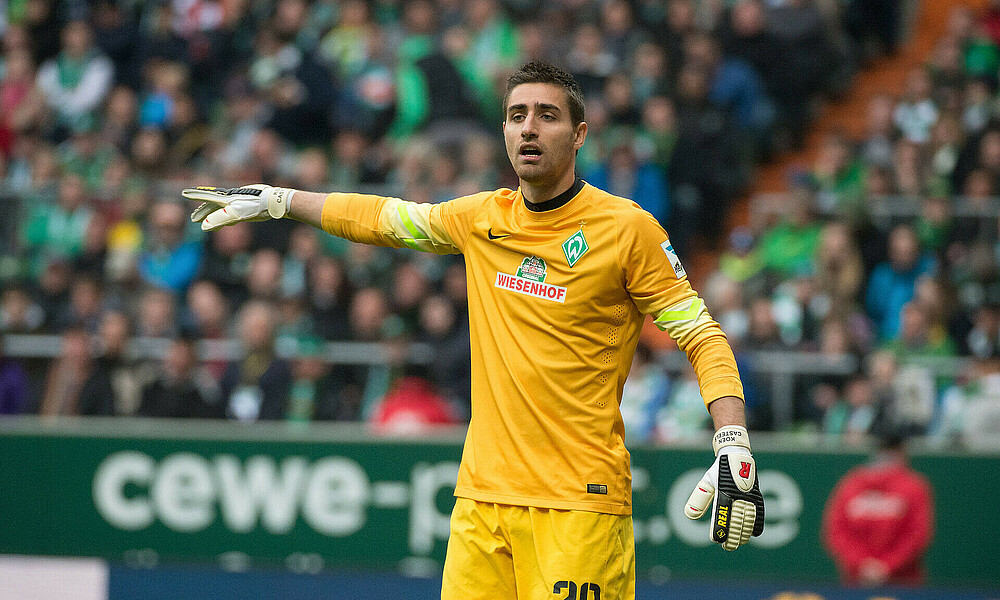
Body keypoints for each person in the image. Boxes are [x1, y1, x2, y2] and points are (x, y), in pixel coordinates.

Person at [183, 61, 764, 600]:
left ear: (580, 134)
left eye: (547, 115)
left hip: (578, 507)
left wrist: (732, 440)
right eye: (517, 116)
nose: (529, 129)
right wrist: (284, 200)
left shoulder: (627, 229)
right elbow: (385, 218)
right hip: (481, 503)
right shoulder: (482, 218)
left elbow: (702, 334)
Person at [822, 433, 935, 586]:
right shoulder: (913, 486)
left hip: (898, 584)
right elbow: (837, 531)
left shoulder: (851, 483)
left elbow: (916, 535)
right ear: (901, 453)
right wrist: (870, 566)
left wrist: (877, 566)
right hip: (871, 584)